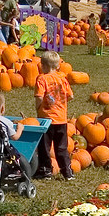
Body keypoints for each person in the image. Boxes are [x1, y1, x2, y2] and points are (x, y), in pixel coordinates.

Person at [33, 50, 74, 180]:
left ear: (43, 66)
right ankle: (67, 172)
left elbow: (39, 97)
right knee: (61, 147)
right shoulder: (62, 78)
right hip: (61, 119)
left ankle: (45, 171)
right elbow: (71, 96)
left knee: (44, 147)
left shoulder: (42, 79)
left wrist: (38, 107)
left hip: (46, 119)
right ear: (57, 66)